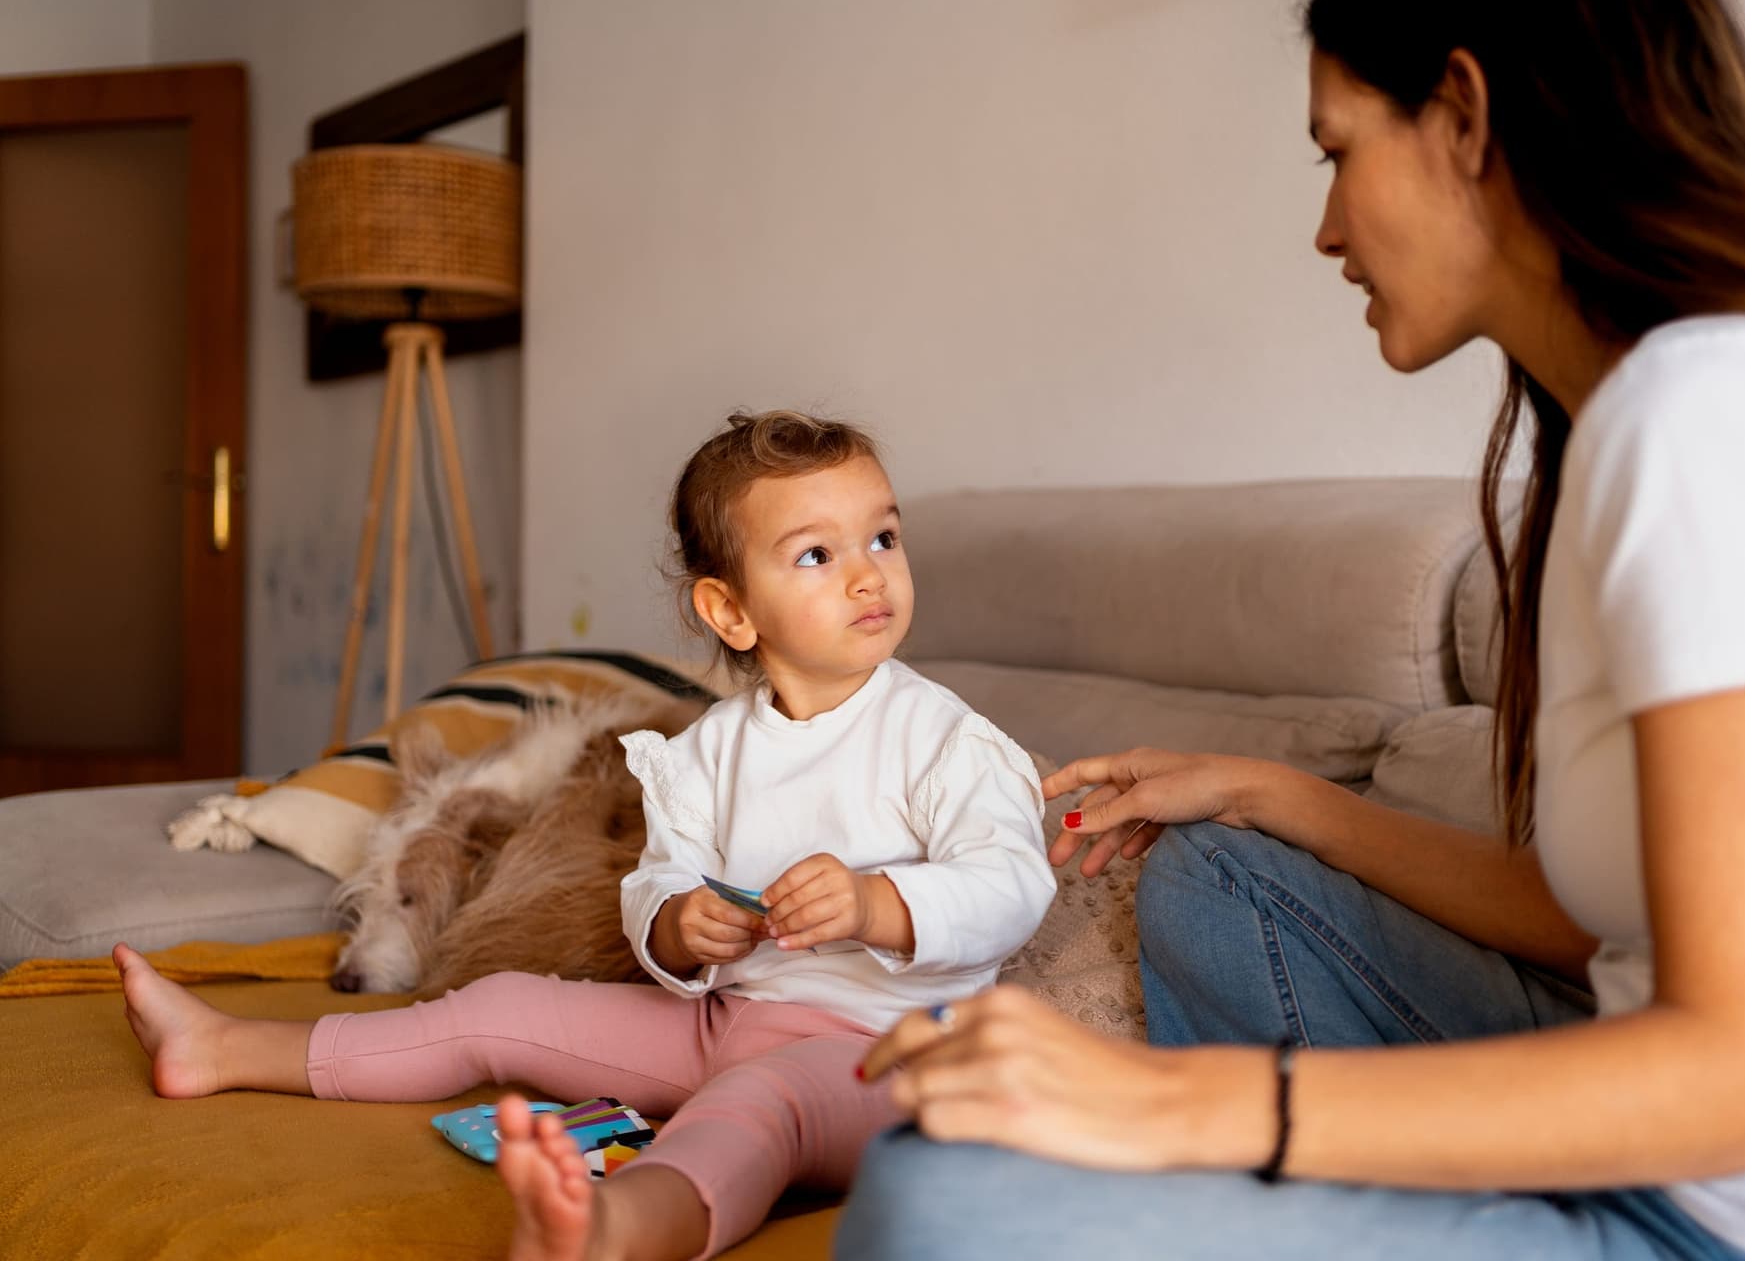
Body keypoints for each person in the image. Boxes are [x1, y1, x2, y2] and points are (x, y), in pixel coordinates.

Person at [835, 0, 1745, 1258]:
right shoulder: (1624, 430)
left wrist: (1185, 1107)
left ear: (1462, 114)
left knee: (935, 1200)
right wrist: (1268, 790)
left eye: (1338, 151)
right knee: (1216, 872)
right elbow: (1614, 923)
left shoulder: (1708, 417)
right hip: (1655, 1113)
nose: (1328, 227)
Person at [113, 409, 1056, 1261]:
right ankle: (227, 1048)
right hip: (721, 1023)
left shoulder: (947, 742)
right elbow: (656, 882)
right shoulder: (708, 752)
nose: (867, 573)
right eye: (817, 554)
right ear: (729, 610)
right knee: (499, 1006)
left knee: (761, 1106)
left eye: (883, 537)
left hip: (887, 1057)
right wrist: (679, 927)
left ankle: (619, 1227)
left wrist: (876, 902)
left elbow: (1013, 887)